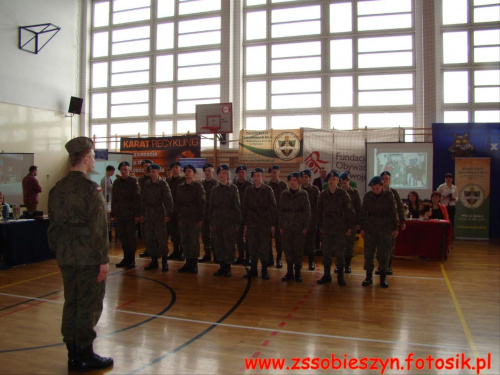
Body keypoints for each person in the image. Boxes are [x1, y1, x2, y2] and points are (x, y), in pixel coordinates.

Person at [47, 136, 113, 372]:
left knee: (71, 302)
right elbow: (98, 227)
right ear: (86, 158)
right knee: (89, 303)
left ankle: (73, 353)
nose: (94, 160)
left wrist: (60, 251)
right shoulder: (89, 188)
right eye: (93, 156)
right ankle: (84, 355)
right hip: (88, 257)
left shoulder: (57, 188)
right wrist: (103, 259)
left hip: (66, 255)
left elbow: (52, 226)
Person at [316, 171, 354, 286]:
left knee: (340, 253)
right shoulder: (323, 194)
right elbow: (319, 211)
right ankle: (327, 275)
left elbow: (349, 211)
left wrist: (348, 227)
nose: (331, 181)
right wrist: (321, 226)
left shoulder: (343, 194)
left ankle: (341, 277)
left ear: (338, 181)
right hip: (327, 226)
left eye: (334, 179)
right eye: (330, 179)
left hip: (339, 226)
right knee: (326, 252)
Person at [360, 176, 398, 288]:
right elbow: (363, 212)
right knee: (369, 253)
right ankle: (368, 277)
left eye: (377, 188)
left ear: (382, 186)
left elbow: (393, 212)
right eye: (373, 188)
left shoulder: (389, 195)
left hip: (385, 228)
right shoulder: (368, 196)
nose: (375, 190)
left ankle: (383, 278)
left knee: (384, 254)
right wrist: (362, 228)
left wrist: (395, 228)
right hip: (370, 228)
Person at [242, 167, 277, 280]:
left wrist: (273, 224)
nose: (256, 178)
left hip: (264, 223)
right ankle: (253, 269)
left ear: (263, 177)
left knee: (264, 247)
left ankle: (264, 270)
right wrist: (246, 224)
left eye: (258, 175)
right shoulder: (249, 190)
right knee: (252, 246)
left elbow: (273, 207)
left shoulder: (268, 190)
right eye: (254, 176)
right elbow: (245, 207)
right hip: (252, 223)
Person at [279, 172, 311, 282]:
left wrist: (306, 227)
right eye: (291, 180)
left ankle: (297, 272)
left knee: (298, 250)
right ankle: (289, 272)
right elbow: (280, 211)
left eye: (295, 180)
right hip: (287, 226)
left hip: (299, 227)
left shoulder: (303, 194)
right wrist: (281, 226)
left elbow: (307, 211)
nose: (292, 182)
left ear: (298, 181)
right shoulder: (284, 194)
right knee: (288, 250)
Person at [210, 164, 241, 277]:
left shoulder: (233, 188)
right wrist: (211, 223)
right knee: (218, 244)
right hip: (217, 220)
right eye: (220, 173)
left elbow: (237, 206)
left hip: (229, 221)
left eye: (224, 173)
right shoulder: (214, 189)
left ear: (228, 175)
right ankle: (222, 266)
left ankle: (227, 268)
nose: (222, 175)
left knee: (229, 245)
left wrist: (237, 223)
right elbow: (211, 206)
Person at [141, 164, 173, 272]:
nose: (152, 173)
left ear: (158, 172)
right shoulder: (147, 184)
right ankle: (153, 260)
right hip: (149, 214)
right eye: (150, 172)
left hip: (160, 213)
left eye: (154, 171)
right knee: (150, 238)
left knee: (162, 238)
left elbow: (168, 200)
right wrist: (143, 214)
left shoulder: (163, 184)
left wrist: (168, 214)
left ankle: (164, 261)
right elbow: (143, 199)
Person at [176, 164, 206, 274]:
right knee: (184, 241)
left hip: (194, 217)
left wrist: (201, 218)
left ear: (194, 174)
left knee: (193, 242)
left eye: (189, 171)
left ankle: (194, 264)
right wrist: (179, 217)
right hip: (184, 217)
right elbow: (178, 203)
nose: (187, 173)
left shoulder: (198, 186)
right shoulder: (180, 187)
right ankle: (187, 263)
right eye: (186, 171)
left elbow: (202, 203)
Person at [112, 161, 141, 269]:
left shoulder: (133, 182)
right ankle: (125, 258)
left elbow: (138, 199)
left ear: (129, 170)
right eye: (122, 169)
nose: (124, 171)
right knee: (122, 237)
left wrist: (137, 215)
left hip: (130, 214)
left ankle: (131, 259)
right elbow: (114, 199)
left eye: (126, 169)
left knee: (131, 237)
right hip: (120, 214)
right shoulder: (116, 182)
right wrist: (114, 213)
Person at [378, 171, 406, 275]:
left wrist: (402, 221)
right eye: (383, 178)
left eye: (387, 178)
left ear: (389, 180)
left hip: (390, 224)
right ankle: (380, 266)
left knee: (389, 246)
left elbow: (400, 207)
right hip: (378, 223)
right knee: (379, 246)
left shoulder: (394, 193)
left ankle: (388, 266)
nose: (385, 180)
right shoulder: (376, 191)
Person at [337, 171, 362, 274]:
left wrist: (358, 222)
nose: (343, 184)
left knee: (349, 245)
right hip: (339, 222)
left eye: (345, 182)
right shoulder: (337, 192)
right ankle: (339, 265)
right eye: (341, 182)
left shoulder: (354, 192)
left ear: (349, 181)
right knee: (339, 245)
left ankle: (347, 265)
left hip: (351, 222)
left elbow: (358, 208)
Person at [266, 165, 288, 268]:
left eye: (275, 172)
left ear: (279, 173)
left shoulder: (283, 185)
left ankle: (279, 258)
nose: (273, 174)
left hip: (280, 216)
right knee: (268, 238)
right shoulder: (266, 186)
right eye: (271, 172)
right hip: (269, 216)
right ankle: (270, 257)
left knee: (279, 240)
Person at [300, 169, 319, 270]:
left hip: (311, 220)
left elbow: (318, 206)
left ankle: (311, 261)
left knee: (311, 242)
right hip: (300, 221)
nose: (304, 179)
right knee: (299, 241)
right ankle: (299, 262)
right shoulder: (298, 190)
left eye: (306, 177)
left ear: (310, 178)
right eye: (302, 177)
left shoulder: (315, 190)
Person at [233, 165, 252, 265]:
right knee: (238, 237)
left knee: (248, 238)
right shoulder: (233, 185)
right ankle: (240, 256)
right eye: (239, 172)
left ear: (246, 173)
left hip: (247, 215)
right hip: (237, 215)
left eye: (243, 172)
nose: (241, 174)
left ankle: (248, 257)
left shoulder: (250, 185)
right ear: (237, 174)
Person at [166, 161, 186, 260]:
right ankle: (175, 250)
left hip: (181, 210)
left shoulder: (184, 180)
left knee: (181, 231)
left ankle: (182, 251)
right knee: (173, 231)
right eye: (173, 167)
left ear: (180, 169)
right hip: (171, 210)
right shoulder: (167, 181)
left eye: (177, 167)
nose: (175, 169)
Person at [200, 163, 218, 263]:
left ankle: (216, 255)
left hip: (214, 214)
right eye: (205, 171)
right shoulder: (200, 184)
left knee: (215, 235)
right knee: (205, 235)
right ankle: (207, 254)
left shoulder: (217, 184)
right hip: (204, 213)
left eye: (209, 170)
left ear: (213, 171)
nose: (207, 172)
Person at [137, 159, 152, 258]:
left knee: (153, 232)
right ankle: (148, 249)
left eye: (148, 166)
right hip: (143, 210)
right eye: (145, 166)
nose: (146, 168)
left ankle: (155, 251)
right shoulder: (140, 181)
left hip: (154, 211)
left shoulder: (155, 180)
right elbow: (137, 197)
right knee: (144, 232)